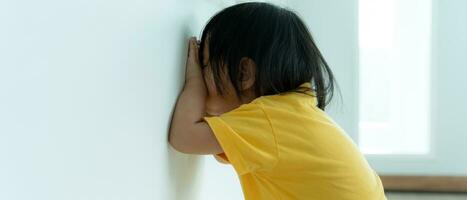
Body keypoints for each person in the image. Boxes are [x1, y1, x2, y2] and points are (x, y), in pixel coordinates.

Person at [169, 2, 387, 199]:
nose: (200, 71)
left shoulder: (267, 118)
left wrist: (193, 82)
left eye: (204, 64)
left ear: (244, 74)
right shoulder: (292, 113)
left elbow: (184, 137)